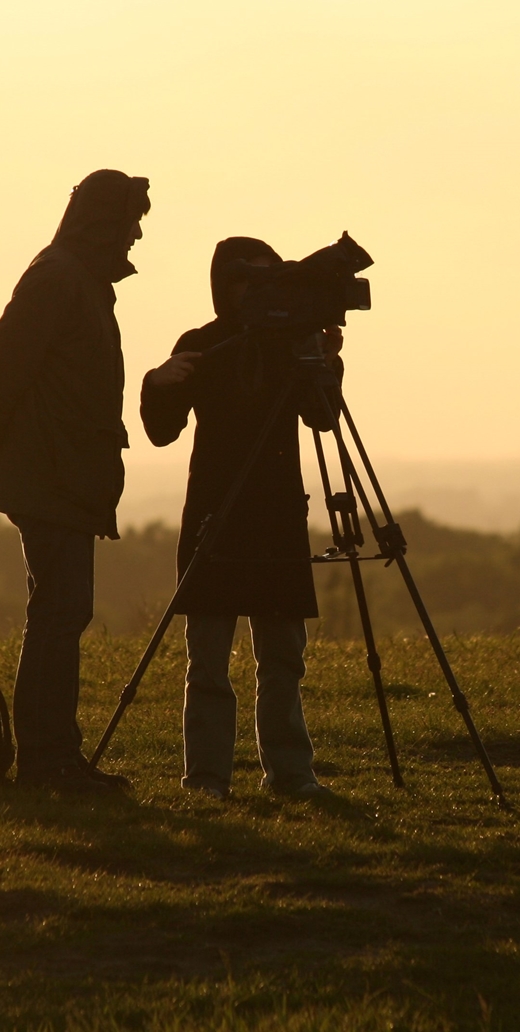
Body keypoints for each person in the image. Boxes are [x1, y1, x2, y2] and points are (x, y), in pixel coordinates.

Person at [140, 237, 342, 800]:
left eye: (268, 278)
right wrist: (158, 383)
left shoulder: (291, 343)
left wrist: (326, 364)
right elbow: (162, 430)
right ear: (222, 285)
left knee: (283, 659)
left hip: (277, 516)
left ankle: (292, 776)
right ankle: (206, 781)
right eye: (244, 278)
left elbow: (323, 419)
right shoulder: (204, 344)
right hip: (215, 514)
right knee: (207, 662)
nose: (256, 289)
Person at [0, 169, 151, 792]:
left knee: (63, 612)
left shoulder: (74, 280)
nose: (137, 235)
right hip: (50, 476)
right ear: (102, 222)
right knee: (60, 613)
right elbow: (7, 373)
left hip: (63, 475)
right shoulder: (58, 280)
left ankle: (53, 754)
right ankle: (47, 759)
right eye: (130, 222)